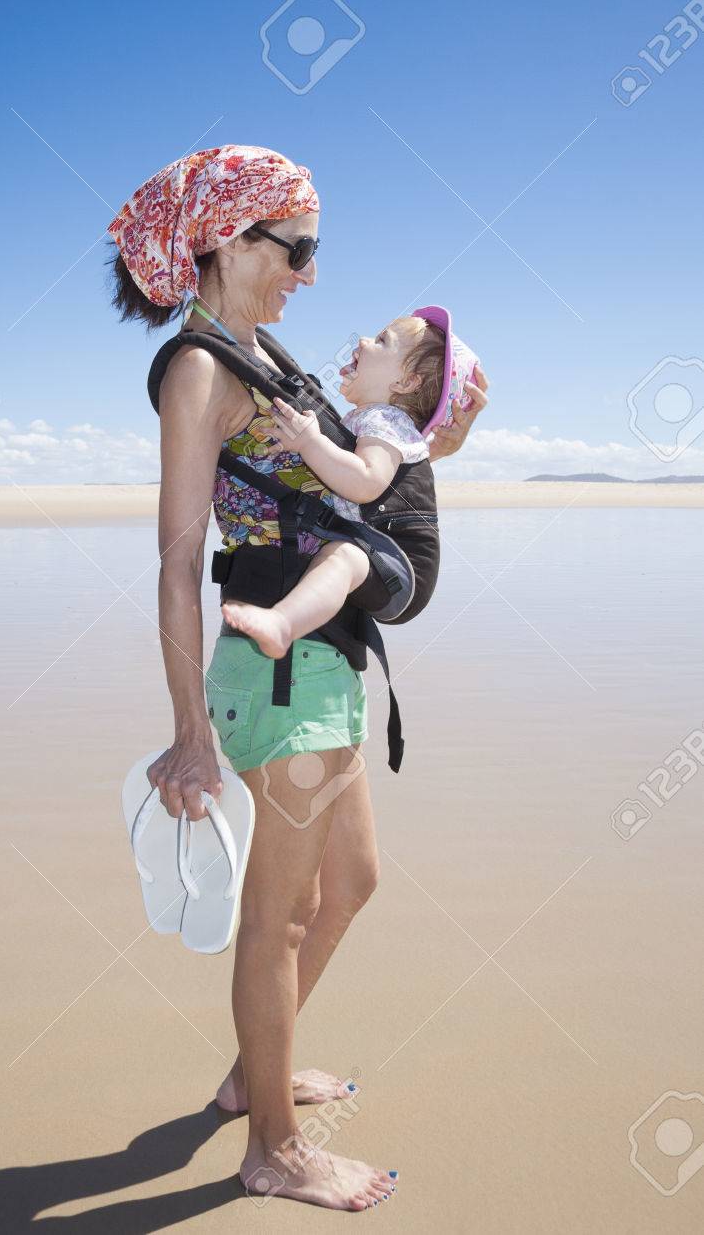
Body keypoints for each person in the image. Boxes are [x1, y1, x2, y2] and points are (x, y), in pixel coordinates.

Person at [108, 145, 489, 1212]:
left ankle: (253, 1075)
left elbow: (360, 471)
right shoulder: (199, 368)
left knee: (349, 884)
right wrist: (190, 732)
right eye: (298, 247)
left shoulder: (261, 349)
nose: (310, 275)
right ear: (232, 239)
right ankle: (271, 1144)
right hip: (276, 670)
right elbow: (177, 560)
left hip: (325, 660)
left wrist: (440, 435)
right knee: (280, 916)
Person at [220, 311, 479, 658]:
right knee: (340, 556)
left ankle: (282, 624)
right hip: (383, 555)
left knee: (342, 557)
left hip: (403, 565)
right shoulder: (376, 421)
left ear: (405, 382)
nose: (363, 341)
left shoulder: (386, 420)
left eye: (382, 341)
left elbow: (366, 483)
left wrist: (309, 442)